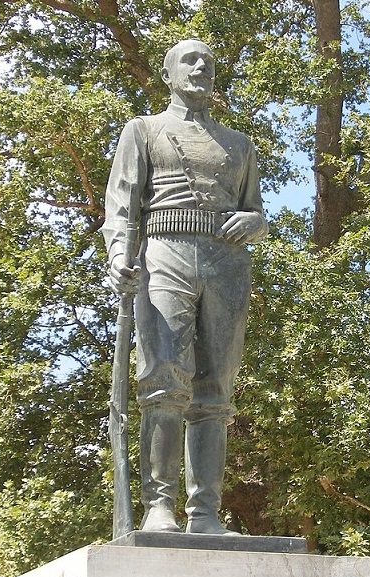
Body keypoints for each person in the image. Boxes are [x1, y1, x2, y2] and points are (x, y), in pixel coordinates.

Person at [102, 38, 268, 535]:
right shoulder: (144, 130)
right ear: (169, 73)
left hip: (226, 262)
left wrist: (255, 222)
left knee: (215, 388)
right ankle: (159, 507)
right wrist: (117, 258)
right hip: (165, 252)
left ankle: (206, 513)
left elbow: (255, 208)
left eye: (208, 61)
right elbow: (122, 204)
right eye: (189, 60)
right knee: (163, 381)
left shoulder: (239, 144)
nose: (200, 67)